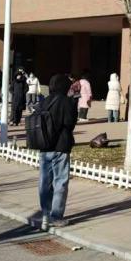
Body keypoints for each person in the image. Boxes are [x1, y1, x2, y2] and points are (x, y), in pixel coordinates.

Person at [36, 74, 79, 230]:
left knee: (44, 181)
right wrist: (73, 102)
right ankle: (56, 216)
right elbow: (70, 123)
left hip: (44, 146)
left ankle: (45, 214)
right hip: (61, 146)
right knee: (60, 181)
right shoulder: (66, 102)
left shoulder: (44, 101)